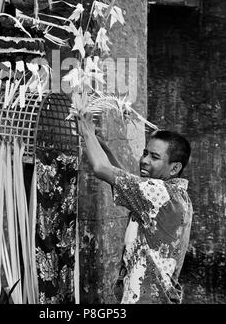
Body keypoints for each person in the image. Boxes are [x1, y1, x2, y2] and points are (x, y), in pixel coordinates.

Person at [78, 113, 193, 304]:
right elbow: (127, 183)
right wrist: (104, 148)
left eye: (154, 157)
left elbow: (100, 168)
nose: (145, 160)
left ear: (174, 169)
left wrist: (87, 132)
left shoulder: (160, 193)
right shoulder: (176, 195)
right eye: (145, 153)